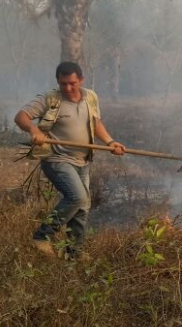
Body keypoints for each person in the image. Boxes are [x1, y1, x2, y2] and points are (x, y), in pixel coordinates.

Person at [15, 62, 125, 259]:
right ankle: (41, 237)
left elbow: (96, 122)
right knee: (77, 197)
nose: (67, 88)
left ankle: (74, 253)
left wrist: (111, 141)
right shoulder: (50, 99)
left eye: (72, 83)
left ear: (81, 80)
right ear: (58, 81)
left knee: (82, 207)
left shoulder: (91, 97)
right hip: (57, 159)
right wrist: (34, 130)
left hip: (82, 160)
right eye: (63, 83)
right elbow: (21, 116)